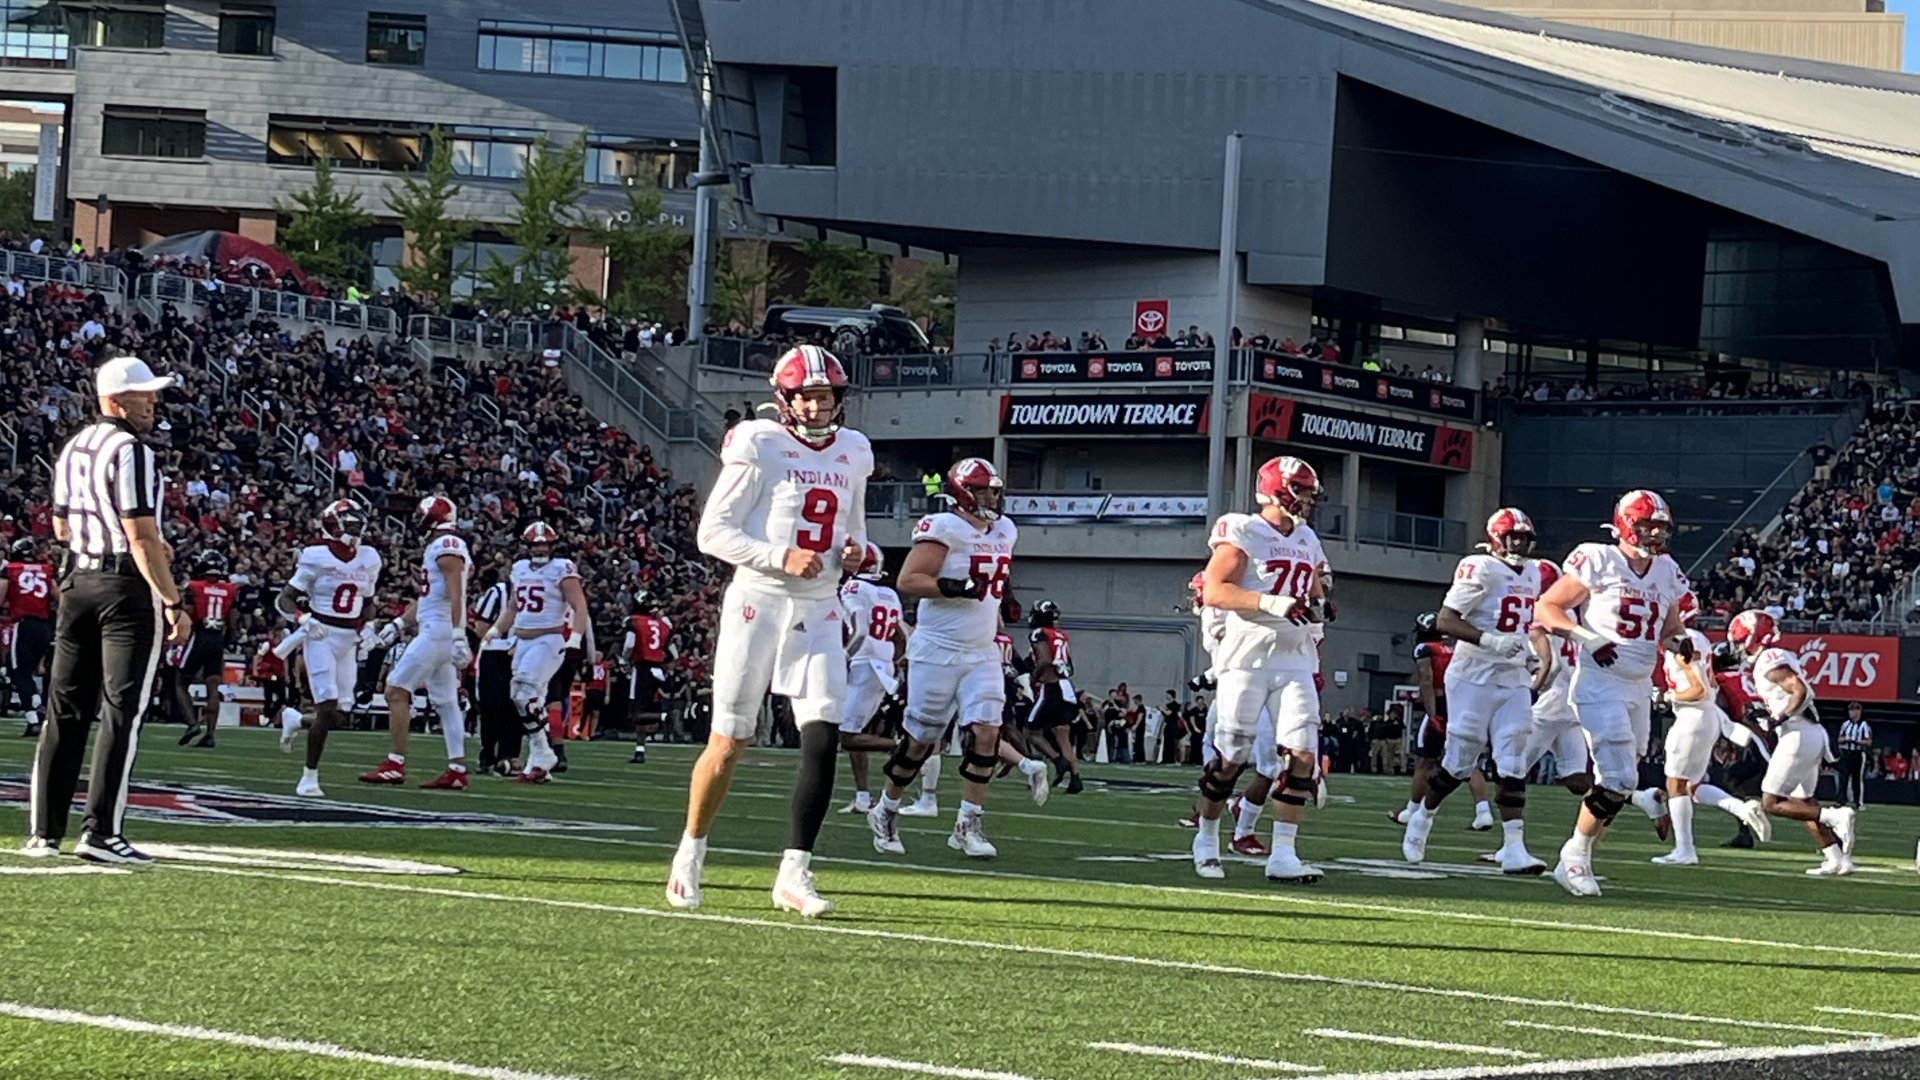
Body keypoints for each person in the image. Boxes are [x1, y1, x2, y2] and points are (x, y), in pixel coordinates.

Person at [668, 345, 873, 917]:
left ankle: (794, 873)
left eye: (825, 396)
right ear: (785, 399)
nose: (815, 407)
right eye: (806, 396)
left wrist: (862, 553)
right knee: (730, 740)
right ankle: (690, 851)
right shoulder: (759, 442)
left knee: (824, 735)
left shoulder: (855, 451)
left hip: (819, 607)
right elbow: (714, 533)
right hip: (758, 603)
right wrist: (778, 555)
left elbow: (855, 532)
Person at [27, 355, 192, 864]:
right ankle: (101, 831)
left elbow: (58, 528)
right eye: (144, 394)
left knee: (65, 709)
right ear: (116, 400)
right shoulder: (131, 451)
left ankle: (43, 832)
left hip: (77, 580)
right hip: (124, 586)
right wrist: (172, 601)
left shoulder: (74, 446)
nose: (153, 401)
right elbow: (140, 534)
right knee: (123, 710)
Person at [867, 457, 1047, 862]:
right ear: (964, 492)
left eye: (994, 490)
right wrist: (951, 586)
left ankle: (967, 825)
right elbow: (909, 580)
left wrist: (1005, 603)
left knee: (986, 732)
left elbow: (995, 577)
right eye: (982, 490)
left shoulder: (1005, 529)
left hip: (980, 650)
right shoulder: (943, 527)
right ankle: (886, 809)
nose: (991, 497)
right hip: (938, 649)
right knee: (920, 742)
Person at [1535, 490, 1690, 897]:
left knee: (1621, 780)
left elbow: (1670, 629)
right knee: (1619, 777)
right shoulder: (1599, 559)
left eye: (1660, 527)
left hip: (1639, 686)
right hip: (1600, 682)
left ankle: (1578, 855)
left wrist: (1680, 643)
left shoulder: (1666, 570)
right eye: (1647, 525)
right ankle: (1575, 857)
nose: (1654, 534)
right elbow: (1546, 608)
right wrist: (1587, 639)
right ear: (1625, 524)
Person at [1192, 456, 1328, 884]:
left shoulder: (1306, 537)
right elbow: (1214, 589)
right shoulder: (1243, 528)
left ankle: (1284, 853)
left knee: (1302, 753)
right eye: (1302, 490)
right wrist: (1270, 602)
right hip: (1247, 658)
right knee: (1232, 757)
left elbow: (1316, 586)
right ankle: (1207, 836)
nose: (1308, 499)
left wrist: (1321, 602)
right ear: (1279, 490)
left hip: (1294, 657)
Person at [1404, 508, 1546, 874]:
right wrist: (1490, 641)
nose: (1520, 545)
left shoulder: (1533, 572)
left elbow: (1523, 624)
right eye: (1513, 537)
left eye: (1524, 538)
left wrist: (1526, 654)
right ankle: (1422, 817)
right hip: (1473, 674)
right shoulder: (1479, 566)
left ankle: (1514, 846)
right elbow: (1445, 620)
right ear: (1497, 538)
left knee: (1513, 756)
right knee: (1459, 760)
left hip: (1511, 675)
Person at [1729, 610, 1857, 876]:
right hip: (1807, 732)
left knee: (1770, 802)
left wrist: (1779, 717)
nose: (1740, 647)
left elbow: (1800, 690)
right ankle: (1836, 857)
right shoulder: (1774, 658)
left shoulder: (1769, 659)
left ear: (1755, 636)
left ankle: (1836, 816)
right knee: (1802, 801)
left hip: (1798, 732)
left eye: (1742, 640)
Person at [275, 499, 383, 797]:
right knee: (326, 708)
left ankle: (296, 719)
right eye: (348, 524)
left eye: (356, 524)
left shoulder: (370, 557)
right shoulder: (316, 555)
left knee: (341, 715)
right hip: (320, 634)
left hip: (348, 639)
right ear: (332, 525)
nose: (354, 530)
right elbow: (284, 599)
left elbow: (369, 602)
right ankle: (309, 777)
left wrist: (370, 626)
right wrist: (302, 618)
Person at [1652, 593, 1769, 865]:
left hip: (1692, 716)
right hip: (1708, 717)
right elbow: (1711, 686)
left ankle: (1684, 850)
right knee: (1692, 786)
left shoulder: (1681, 642)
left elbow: (1699, 689)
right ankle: (1742, 809)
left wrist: (1669, 697)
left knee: (1675, 784)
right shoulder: (1701, 639)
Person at [363, 495, 471, 787]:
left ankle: (395, 763)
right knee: (447, 702)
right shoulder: (443, 546)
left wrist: (460, 635)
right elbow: (430, 598)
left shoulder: (447, 546)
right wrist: (399, 624)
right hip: (438, 627)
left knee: (396, 690)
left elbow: (455, 594)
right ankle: (457, 769)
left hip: (439, 630)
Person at [482, 522, 591, 786]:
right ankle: (538, 762)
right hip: (522, 639)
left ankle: (544, 752)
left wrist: (575, 636)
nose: (540, 548)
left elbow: (579, 605)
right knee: (528, 700)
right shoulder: (519, 569)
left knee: (523, 692)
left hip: (549, 638)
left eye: (544, 543)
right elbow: (512, 607)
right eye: (536, 544)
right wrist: (495, 631)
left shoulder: (561, 568)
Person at [1391, 612, 1492, 832]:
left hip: (1440, 704)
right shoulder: (1456, 648)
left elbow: (1426, 681)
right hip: (1462, 703)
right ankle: (1483, 811)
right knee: (1468, 761)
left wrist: (1432, 713)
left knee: (1424, 762)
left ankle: (1412, 809)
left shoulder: (1425, 649)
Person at [836, 542, 906, 815]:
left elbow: (860, 629)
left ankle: (903, 748)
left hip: (864, 664)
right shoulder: (889, 593)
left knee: (847, 736)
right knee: (856, 731)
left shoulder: (854, 588)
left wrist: (844, 656)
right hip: (880, 666)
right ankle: (863, 796)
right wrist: (892, 662)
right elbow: (900, 637)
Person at [175, 550, 239, 749]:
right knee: (213, 686)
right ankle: (210, 734)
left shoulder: (194, 587)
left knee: (180, 682)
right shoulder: (229, 589)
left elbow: (190, 614)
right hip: (217, 638)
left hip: (200, 635)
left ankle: (192, 723)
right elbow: (233, 620)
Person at [1025, 599, 1083, 794]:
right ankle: (1076, 778)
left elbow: (1044, 660)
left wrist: (1034, 677)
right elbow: (1069, 665)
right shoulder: (1061, 635)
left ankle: (1058, 761)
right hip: (1067, 687)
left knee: (1032, 731)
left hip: (1051, 687)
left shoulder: (1039, 633)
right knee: (1063, 735)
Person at [1, 536, 56, 738]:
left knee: (17, 673)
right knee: (27, 672)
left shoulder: (11, 570)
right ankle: (35, 704)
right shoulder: (45, 570)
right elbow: (59, 598)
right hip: (43, 626)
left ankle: (33, 717)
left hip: (22, 625)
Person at [470, 574, 518, 775]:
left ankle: (508, 756)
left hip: (521, 651)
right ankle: (490, 753)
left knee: (515, 706)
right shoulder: (498, 592)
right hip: (495, 651)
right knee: (493, 706)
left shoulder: (538, 593)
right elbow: (481, 627)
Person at [623, 595, 673, 765]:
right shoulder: (664, 625)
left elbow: (629, 645)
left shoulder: (634, 621)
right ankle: (640, 751)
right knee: (645, 713)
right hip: (658, 669)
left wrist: (625, 660)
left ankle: (665, 717)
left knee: (636, 712)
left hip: (642, 668)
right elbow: (673, 653)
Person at [1837, 701, 1871, 810]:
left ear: (1858, 711)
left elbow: (1868, 741)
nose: (1850, 713)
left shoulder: (1864, 725)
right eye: (1850, 710)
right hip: (1846, 753)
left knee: (1857, 779)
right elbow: (1839, 739)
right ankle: (1841, 801)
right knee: (1844, 778)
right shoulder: (1845, 724)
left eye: (1853, 710)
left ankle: (1858, 802)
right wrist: (1845, 740)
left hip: (1858, 753)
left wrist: (1857, 741)